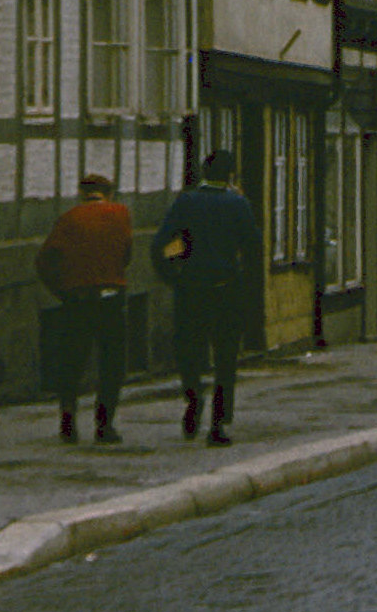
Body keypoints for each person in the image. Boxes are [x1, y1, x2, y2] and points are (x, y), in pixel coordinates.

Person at [155, 148, 259, 446]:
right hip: (226, 288)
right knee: (226, 357)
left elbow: (162, 244)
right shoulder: (238, 204)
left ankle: (193, 396)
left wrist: (173, 277)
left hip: (191, 289)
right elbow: (252, 245)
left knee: (189, 349)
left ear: (203, 172)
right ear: (229, 175)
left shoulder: (186, 202)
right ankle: (218, 423)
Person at [36, 170, 133, 444]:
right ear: (109, 193)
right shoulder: (121, 213)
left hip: (77, 300)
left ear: (82, 193)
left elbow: (44, 260)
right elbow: (127, 252)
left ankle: (68, 423)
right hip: (111, 297)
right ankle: (105, 425)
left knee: (72, 363)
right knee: (112, 364)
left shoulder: (69, 219)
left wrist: (61, 290)